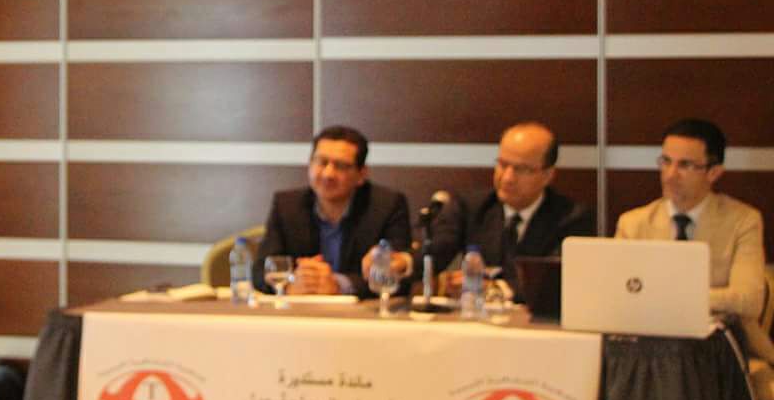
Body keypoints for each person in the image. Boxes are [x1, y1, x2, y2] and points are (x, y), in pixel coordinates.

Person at [616, 118, 764, 328]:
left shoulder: (743, 221)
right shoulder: (633, 223)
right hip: (649, 331)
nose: (670, 175)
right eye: (666, 161)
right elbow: (618, 294)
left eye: (685, 165)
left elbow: (749, 300)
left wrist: (672, 298)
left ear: (714, 172)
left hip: (715, 336)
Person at [430, 122, 594, 292]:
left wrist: (496, 288)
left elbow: (556, 283)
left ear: (548, 175)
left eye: (521, 169)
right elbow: (434, 254)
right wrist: (413, 266)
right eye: (502, 164)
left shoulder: (572, 219)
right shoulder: (470, 207)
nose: (507, 178)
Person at [252, 125, 410, 296]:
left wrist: (340, 285)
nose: (328, 174)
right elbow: (260, 270)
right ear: (309, 164)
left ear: (361, 175)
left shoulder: (387, 206)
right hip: (301, 308)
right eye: (321, 162)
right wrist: (290, 283)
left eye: (341, 166)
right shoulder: (286, 205)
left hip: (360, 311)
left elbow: (400, 276)